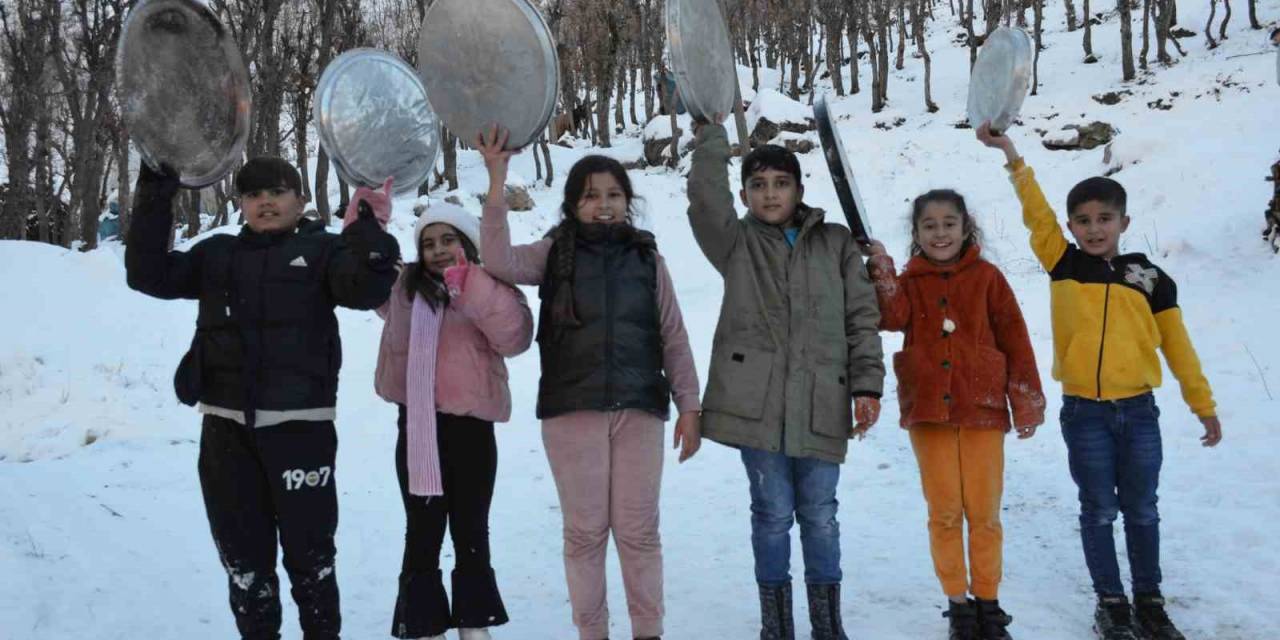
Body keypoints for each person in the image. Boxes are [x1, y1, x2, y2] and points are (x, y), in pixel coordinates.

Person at [125, 158, 400, 640]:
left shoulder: (324, 251)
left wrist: (367, 231)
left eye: (277, 191)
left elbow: (363, 288)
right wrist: (155, 191)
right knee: (246, 567)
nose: (265, 201)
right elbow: (147, 274)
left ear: (300, 200)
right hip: (225, 432)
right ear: (241, 205)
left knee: (310, 562)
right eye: (253, 195)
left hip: (301, 431)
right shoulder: (217, 255)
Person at [977, 123, 1223, 640]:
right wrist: (1012, 156)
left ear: (1123, 221)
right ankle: (1111, 603)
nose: (1093, 229)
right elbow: (1036, 215)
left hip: (1139, 411)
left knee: (1142, 509)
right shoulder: (1063, 263)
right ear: (1070, 225)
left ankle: (1150, 602)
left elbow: (1177, 346)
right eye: (1083, 221)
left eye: (1104, 219)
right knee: (1098, 510)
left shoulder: (1150, 279)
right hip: (1084, 412)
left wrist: (1202, 403)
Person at [478, 126, 703, 640]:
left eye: (614, 195)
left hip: (640, 409)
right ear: (573, 203)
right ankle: (592, 632)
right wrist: (497, 179)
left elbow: (673, 334)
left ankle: (648, 631)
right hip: (571, 409)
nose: (604, 205)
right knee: (584, 534)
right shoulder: (553, 253)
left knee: (639, 532)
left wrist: (689, 405)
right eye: (592, 196)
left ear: (628, 201)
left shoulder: (648, 258)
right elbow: (497, 261)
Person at [686, 116, 885, 640]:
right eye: (757, 185)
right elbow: (706, 201)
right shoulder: (735, 243)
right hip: (758, 404)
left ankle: (827, 624)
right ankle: (776, 626)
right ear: (745, 193)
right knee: (771, 514)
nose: (770, 193)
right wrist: (708, 134)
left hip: (823, 401)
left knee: (820, 514)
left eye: (780, 183)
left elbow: (861, 319)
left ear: (799, 188)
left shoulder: (837, 243)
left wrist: (867, 384)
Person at [864, 191, 1045, 640]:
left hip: (981, 407)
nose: (940, 233)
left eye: (949, 223)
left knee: (983, 513)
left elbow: (1016, 338)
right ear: (917, 234)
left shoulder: (988, 278)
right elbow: (889, 317)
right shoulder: (910, 281)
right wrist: (883, 268)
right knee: (944, 512)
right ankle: (958, 605)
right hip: (928, 411)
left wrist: (1026, 400)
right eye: (929, 225)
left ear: (966, 229)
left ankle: (988, 602)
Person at [373, 201, 534, 640]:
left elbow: (515, 337)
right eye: (428, 243)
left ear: (467, 243)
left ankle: (474, 623)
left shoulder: (492, 287)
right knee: (421, 532)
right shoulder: (404, 288)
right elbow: (363, 278)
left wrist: (472, 287)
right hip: (417, 428)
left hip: (470, 431)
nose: (438, 250)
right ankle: (423, 624)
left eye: (448, 240)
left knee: (470, 529)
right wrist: (364, 227)